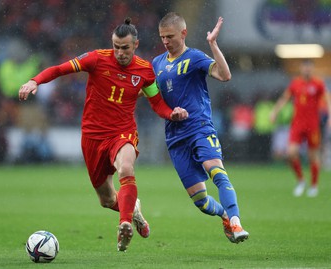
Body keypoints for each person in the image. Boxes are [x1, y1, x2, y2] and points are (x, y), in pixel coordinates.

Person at [19, 18, 188, 252]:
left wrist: (172, 114)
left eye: (125, 48)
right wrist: (34, 81)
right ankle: (134, 212)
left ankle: (124, 225)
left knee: (126, 168)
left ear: (135, 44)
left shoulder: (145, 71)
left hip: (122, 132)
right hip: (92, 136)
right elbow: (60, 69)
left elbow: (157, 103)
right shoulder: (97, 58)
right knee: (107, 200)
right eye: (116, 47)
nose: (119, 52)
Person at [152, 12, 249, 243]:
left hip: (199, 127)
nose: (165, 41)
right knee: (201, 202)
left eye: (170, 36)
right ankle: (225, 215)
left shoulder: (194, 57)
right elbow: (150, 96)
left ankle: (236, 222)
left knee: (217, 172)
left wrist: (213, 44)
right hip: (175, 138)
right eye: (162, 37)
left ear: (183, 33)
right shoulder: (156, 63)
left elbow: (224, 75)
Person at [270, 59, 331, 197]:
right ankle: (301, 180)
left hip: (313, 125)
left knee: (313, 156)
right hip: (297, 124)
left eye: (309, 68)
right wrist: (275, 111)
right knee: (291, 153)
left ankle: (314, 185)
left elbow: (327, 99)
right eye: (305, 68)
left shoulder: (318, 83)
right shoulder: (296, 83)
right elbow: (285, 98)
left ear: (312, 69)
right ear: (302, 69)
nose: (307, 70)